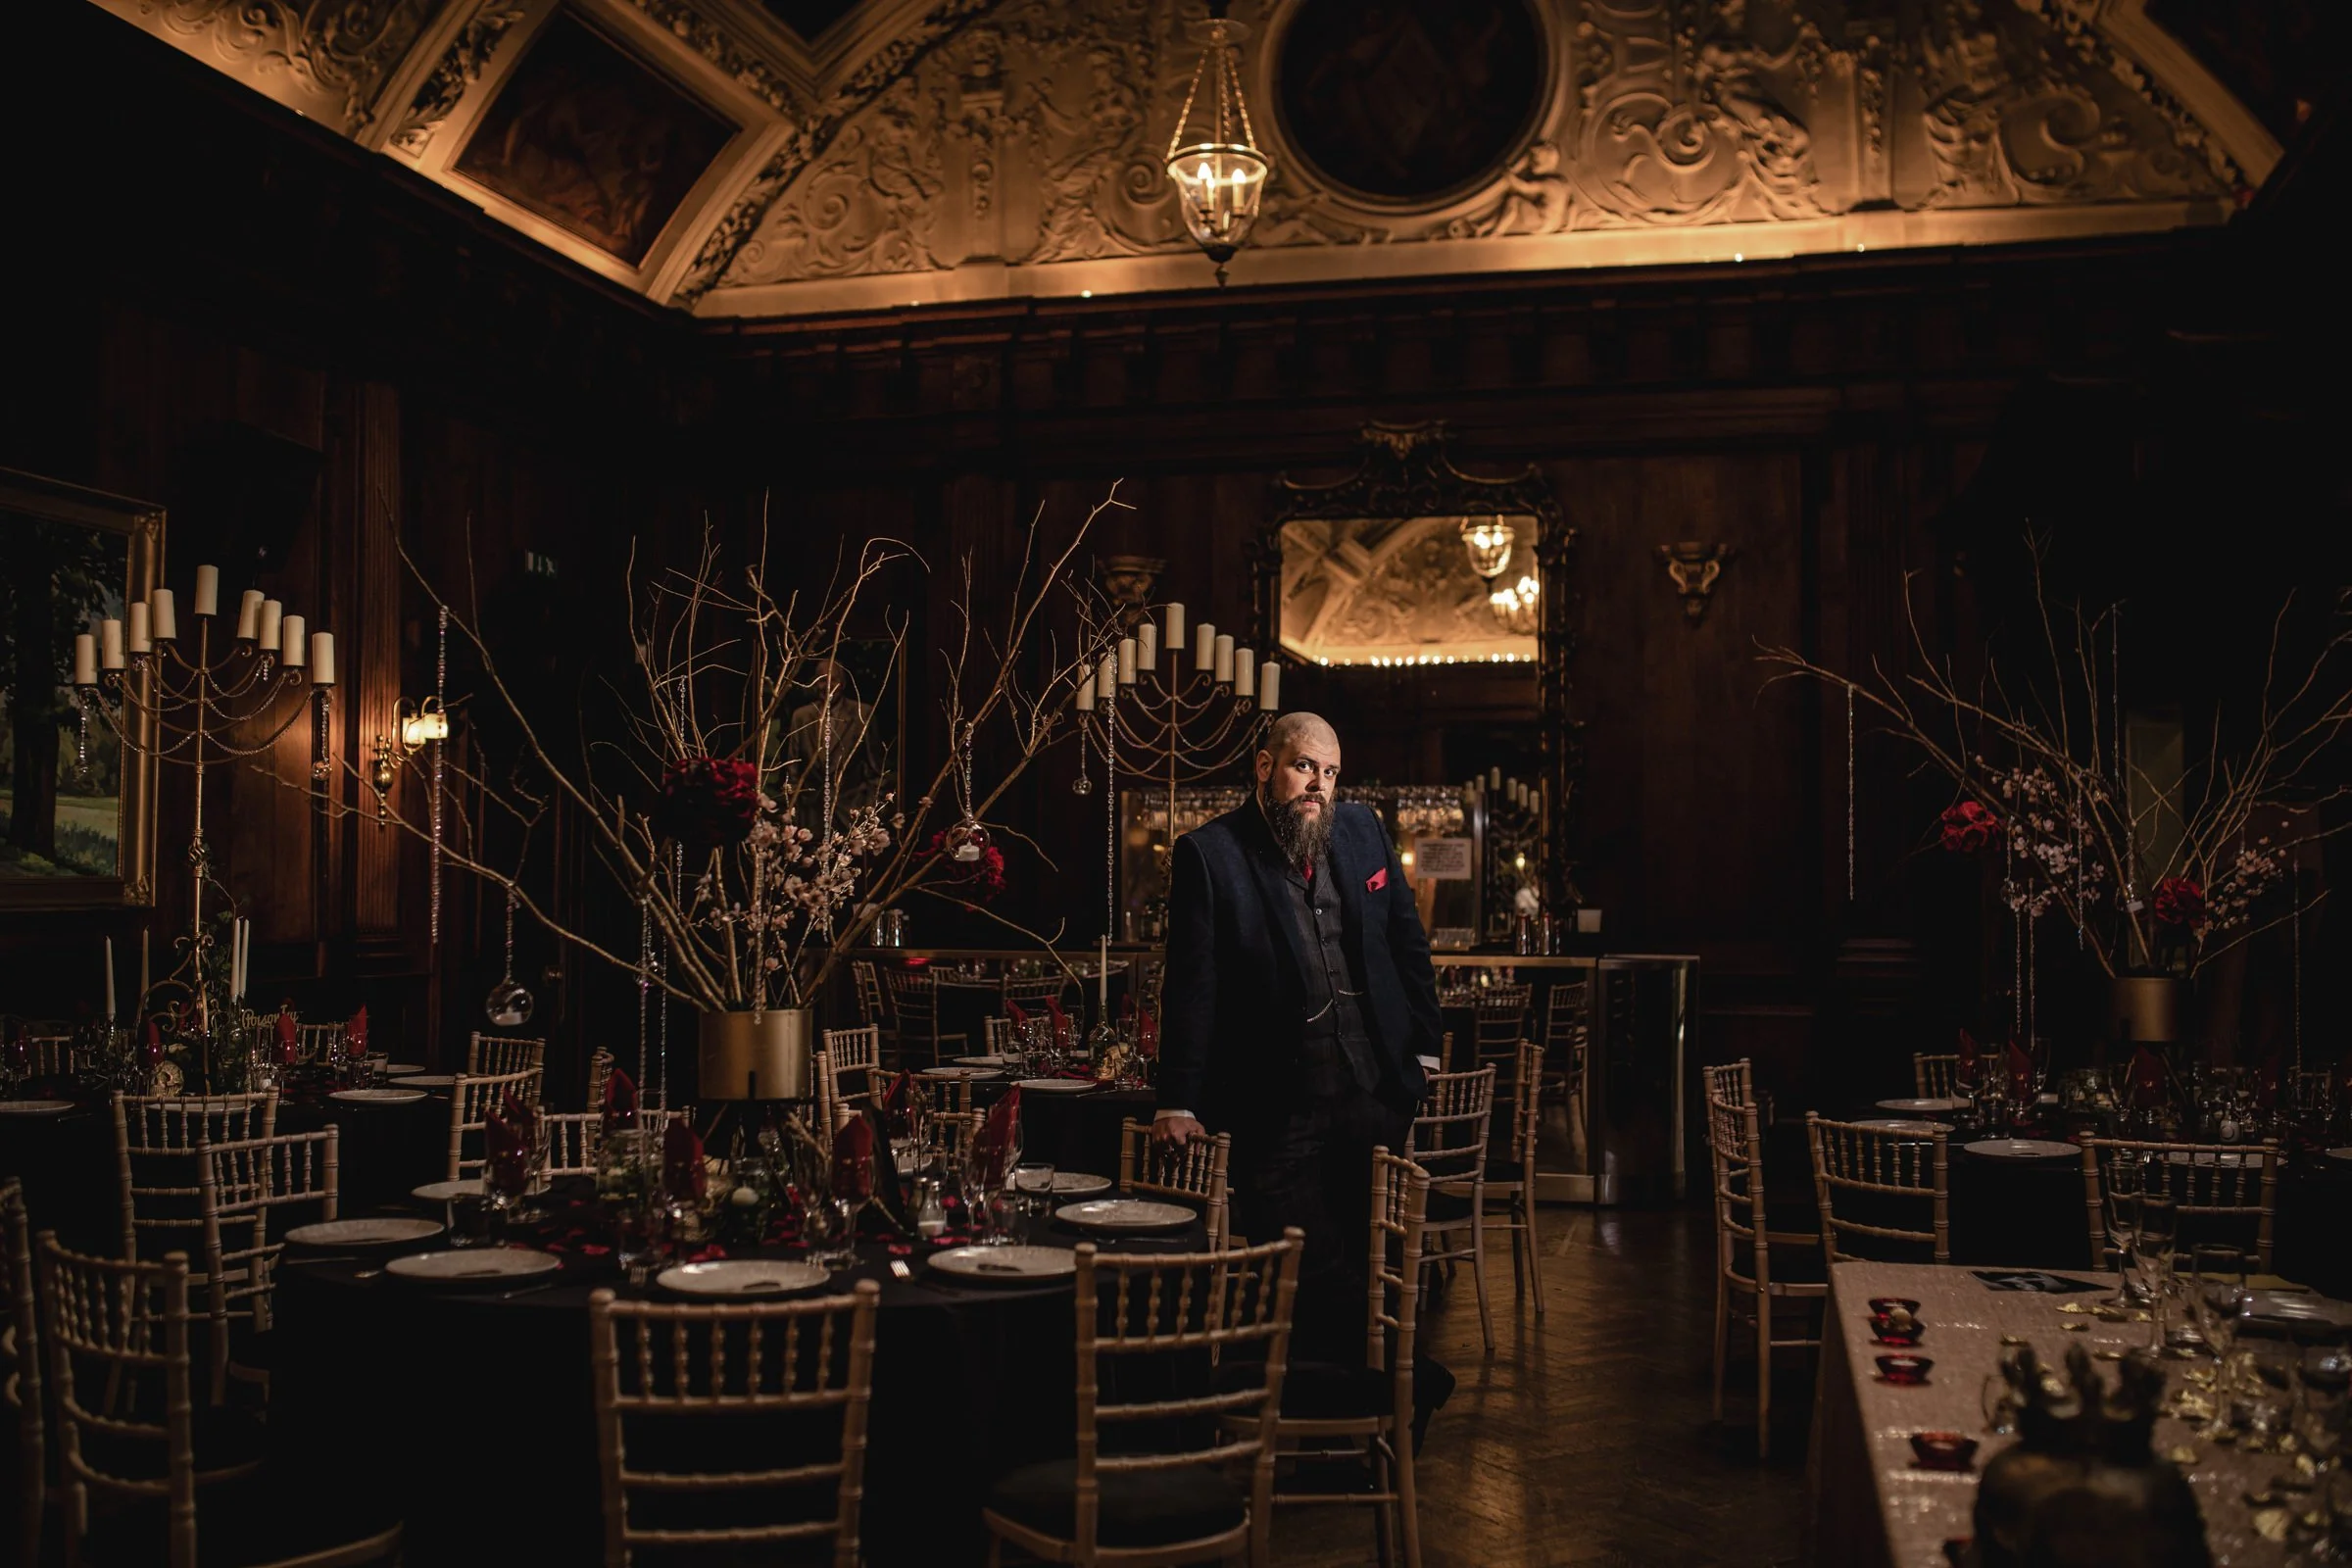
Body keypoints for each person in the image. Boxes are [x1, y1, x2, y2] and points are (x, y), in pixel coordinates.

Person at [1154, 711, 1445, 1356]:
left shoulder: (1364, 831)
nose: (1319, 784)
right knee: (1306, 1265)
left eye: (1330, 772)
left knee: (1374, 1256)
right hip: (1277, 1103)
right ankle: (1347, 1404)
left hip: (1375, 1093)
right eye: (1304, 766)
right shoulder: (1210, 853)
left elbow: (1406, 942)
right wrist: (1177, 1097)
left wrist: (1424, 1046)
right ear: (1266, 767)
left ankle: (1356, 1413)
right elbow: (1192, 984)